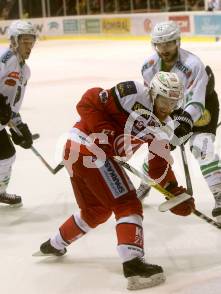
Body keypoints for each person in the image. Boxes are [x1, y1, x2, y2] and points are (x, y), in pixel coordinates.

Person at [35, 72, 196, 291]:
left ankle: (54, 244)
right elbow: (88, 101)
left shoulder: (163, 127)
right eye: (164, 100)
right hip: (85, 146)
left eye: (173, 102)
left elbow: (158, 167)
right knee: (127, 204)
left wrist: (174, 193)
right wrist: (104, 132)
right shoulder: (133, 92)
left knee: (96, 211)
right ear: (153, 93)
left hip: (78, 153)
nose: (167, 107)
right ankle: (133, 265)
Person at [137, 21, 221, 224]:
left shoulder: (193, 65)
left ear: (177, 42)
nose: (164, 49)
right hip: (170, 108)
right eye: (160, 45)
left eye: (169, 44)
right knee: (159, 150)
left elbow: (196, 102)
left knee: (201, 147)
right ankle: (145, 186)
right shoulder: (148, 67)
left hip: (202, 106)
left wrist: (185, 121)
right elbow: (151, 98)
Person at [0, 20, 37, 207]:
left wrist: (19, 126)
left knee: (7, 155)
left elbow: (13, 104)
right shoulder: (5, 59)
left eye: (31, 42)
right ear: (14, 40)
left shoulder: (25, 70)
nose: (29, 46)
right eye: (25, 42)